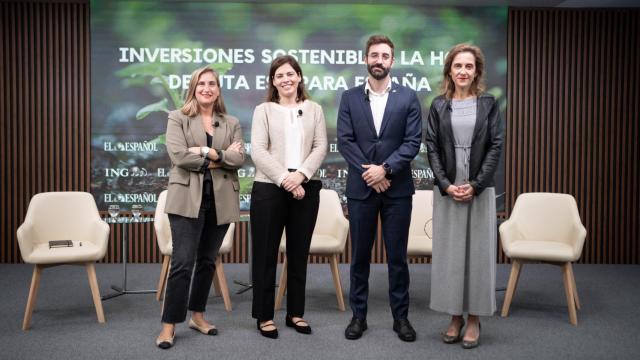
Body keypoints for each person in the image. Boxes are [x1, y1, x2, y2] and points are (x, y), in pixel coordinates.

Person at [337, 35, 422, 342]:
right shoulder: (348, 98)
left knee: (397, 257)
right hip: (361, 191)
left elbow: (412, 141)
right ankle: (359, 317)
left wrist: (385, 169)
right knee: (359, 257)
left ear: (392, 61)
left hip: (397, 190)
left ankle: (401, 318)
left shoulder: (408, 97)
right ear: (366, 60)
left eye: (385, 56)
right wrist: (371, 174)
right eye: (374, 55)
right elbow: (345, 141)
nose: (379, 60)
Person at [156, 66, 245, 349]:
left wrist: (207, 152)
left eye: (212, 84)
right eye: (201, 84)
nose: (207, 88)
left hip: (219, 200)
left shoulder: (231, 122)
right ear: (193, 88)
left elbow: (239, 158)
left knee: (208, 261)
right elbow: (179, 156)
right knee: (182, 263)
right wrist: (221, 160)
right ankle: (169, 325)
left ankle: (197, 316)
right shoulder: (177, 118)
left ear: (219, 89)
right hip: (186, 200)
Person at [425, 43, 504, 349]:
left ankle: (474, 319)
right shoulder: (438, 105)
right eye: (458, 66)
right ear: (450, 70)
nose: (463, 71)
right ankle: (455, 316)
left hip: (478, 189)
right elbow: (431, 146)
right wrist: (445, 184)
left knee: (478, 255)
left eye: (469, 66)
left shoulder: (488, 104)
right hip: (448, 190)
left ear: (477, 72)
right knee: (451, 256)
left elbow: (496, 145)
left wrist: (476, 183)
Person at [250, 55, 328, 339]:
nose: (286, 79)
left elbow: (321, 146)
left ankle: (296, 313)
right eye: (280, 75)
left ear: (299, 77)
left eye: (290, 74)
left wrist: (301, 175)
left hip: (306, 186)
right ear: (273, 81)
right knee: (265, 254)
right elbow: (258, 151)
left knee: (298, 254)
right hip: (270, 187)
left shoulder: (314, 109)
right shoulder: (264, 110)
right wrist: (286, 179)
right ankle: (264, 316)